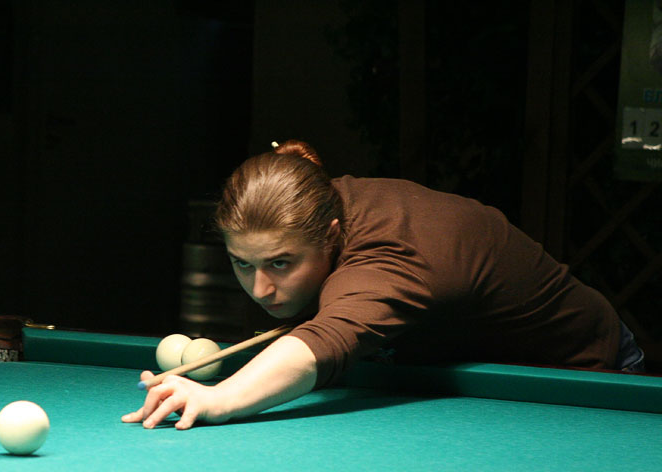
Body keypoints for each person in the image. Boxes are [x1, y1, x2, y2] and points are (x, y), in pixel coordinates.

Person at [122, 139, 644, 430]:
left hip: (582, 379)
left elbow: (322, 343)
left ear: (331, 236)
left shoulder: (390, 258)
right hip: (459, 375)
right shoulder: (311, 202)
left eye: (280, 264)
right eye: (242, 263)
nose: (259, 289)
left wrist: (222, 398)